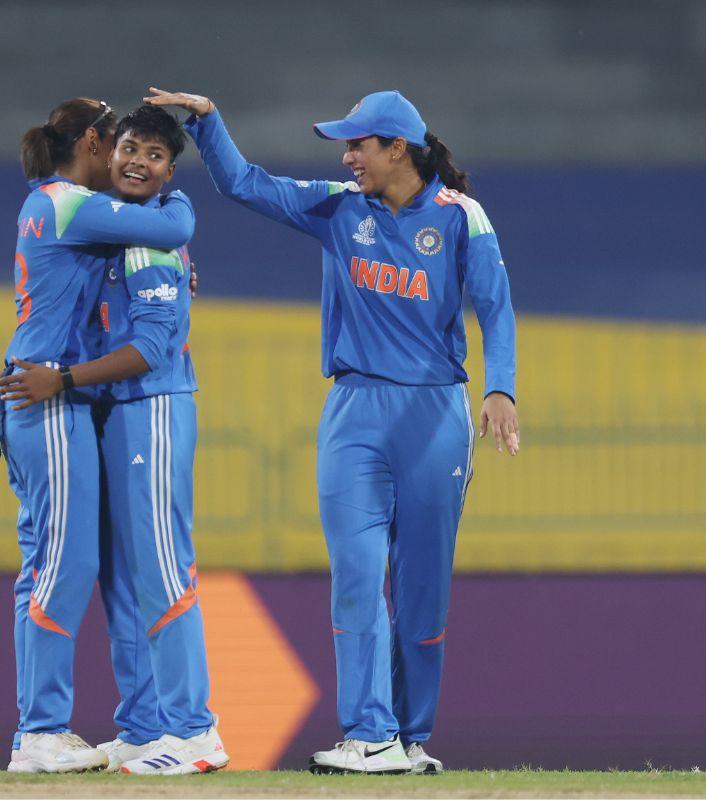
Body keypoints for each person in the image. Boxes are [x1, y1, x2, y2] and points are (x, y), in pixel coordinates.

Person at [145, 86, 519, 775]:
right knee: (355, 572)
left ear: (396, 148)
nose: (348, 158)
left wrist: (500, 387)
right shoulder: (338, 207)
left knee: (422, 590)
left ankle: (410, 739)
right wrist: (207, 123)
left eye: (358, 145)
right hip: (354, 414)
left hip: (436, 417)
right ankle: (369, 731)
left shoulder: (462, 216)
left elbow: (495, 308)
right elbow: (244, 186)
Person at [0, 97, 196, 773]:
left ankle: (54, 726)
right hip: (51, 404)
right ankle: (41, 731)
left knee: (50, 560)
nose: (125, 152)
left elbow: (56, 310)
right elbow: (175, 220)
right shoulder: (69, 201)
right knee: (64, 564)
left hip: (41, 389)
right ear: (92, 142)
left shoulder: (52, 206)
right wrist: (174, 215)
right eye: (115, 139)